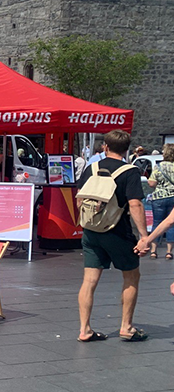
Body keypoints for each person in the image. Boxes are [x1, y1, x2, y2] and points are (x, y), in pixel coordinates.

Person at [76, 129, 149, 343]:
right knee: (131, 276)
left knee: (89, 280)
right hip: (117, 230)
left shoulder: (92, 167)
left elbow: (80, 198)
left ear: (105, 147)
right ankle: (126, 327)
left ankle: (84, 329)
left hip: (91, 230)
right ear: (127, 149)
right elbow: (135, 204)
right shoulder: (130, 171)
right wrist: (144, 235)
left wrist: (84, 221)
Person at [147, 144, 174, 259]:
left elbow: (152, 183)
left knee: (157, 223)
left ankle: (153, 250)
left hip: (159, 197)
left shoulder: (158, 167)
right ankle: (169, 252)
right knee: (171, 225)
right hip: (173, 197)